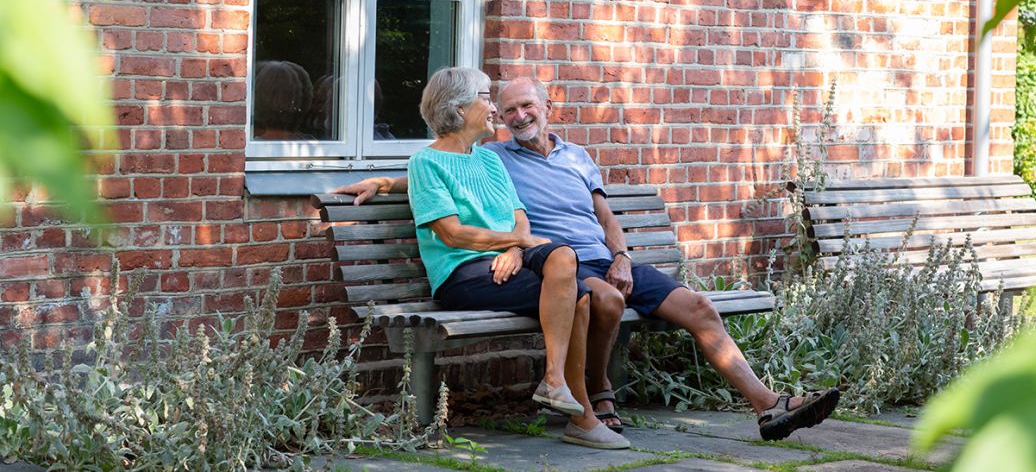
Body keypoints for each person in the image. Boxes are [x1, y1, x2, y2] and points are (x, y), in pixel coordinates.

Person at [334, 76, 839, 441]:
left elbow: (606, 214)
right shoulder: (498, 153)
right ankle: (596, 395)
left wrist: (621, 254)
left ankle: (769, 405)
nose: (516, 116)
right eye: (506, 110)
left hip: (601, 256)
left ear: (547, 105)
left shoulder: (576, 156)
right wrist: (384, 181)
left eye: (525, 105)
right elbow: (439, 167)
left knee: (700, 309)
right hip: (558, 264)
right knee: (597, 299)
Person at [397, 67, 628, 449]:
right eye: (486, 98)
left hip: (505, 262)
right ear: (458, 108)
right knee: (580, 294)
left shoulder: (488, 160)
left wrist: (513, 248)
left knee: (567, 264)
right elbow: (452, 234)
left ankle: (555, 382)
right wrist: (513, 242)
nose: (494, 108)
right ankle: (581, 417)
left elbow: (518, 216)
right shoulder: (427, 163)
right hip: (461, 272)